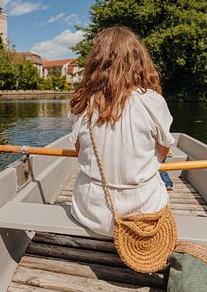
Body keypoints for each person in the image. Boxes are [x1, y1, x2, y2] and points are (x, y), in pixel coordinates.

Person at [68, 26, 175, 237]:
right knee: (158, 174)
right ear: (139, 60)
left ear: (96, 62)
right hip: (142, 213)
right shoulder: (153, 101)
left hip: (90, 213)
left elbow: (79, 150)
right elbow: (162, 151)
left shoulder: (82, 103)